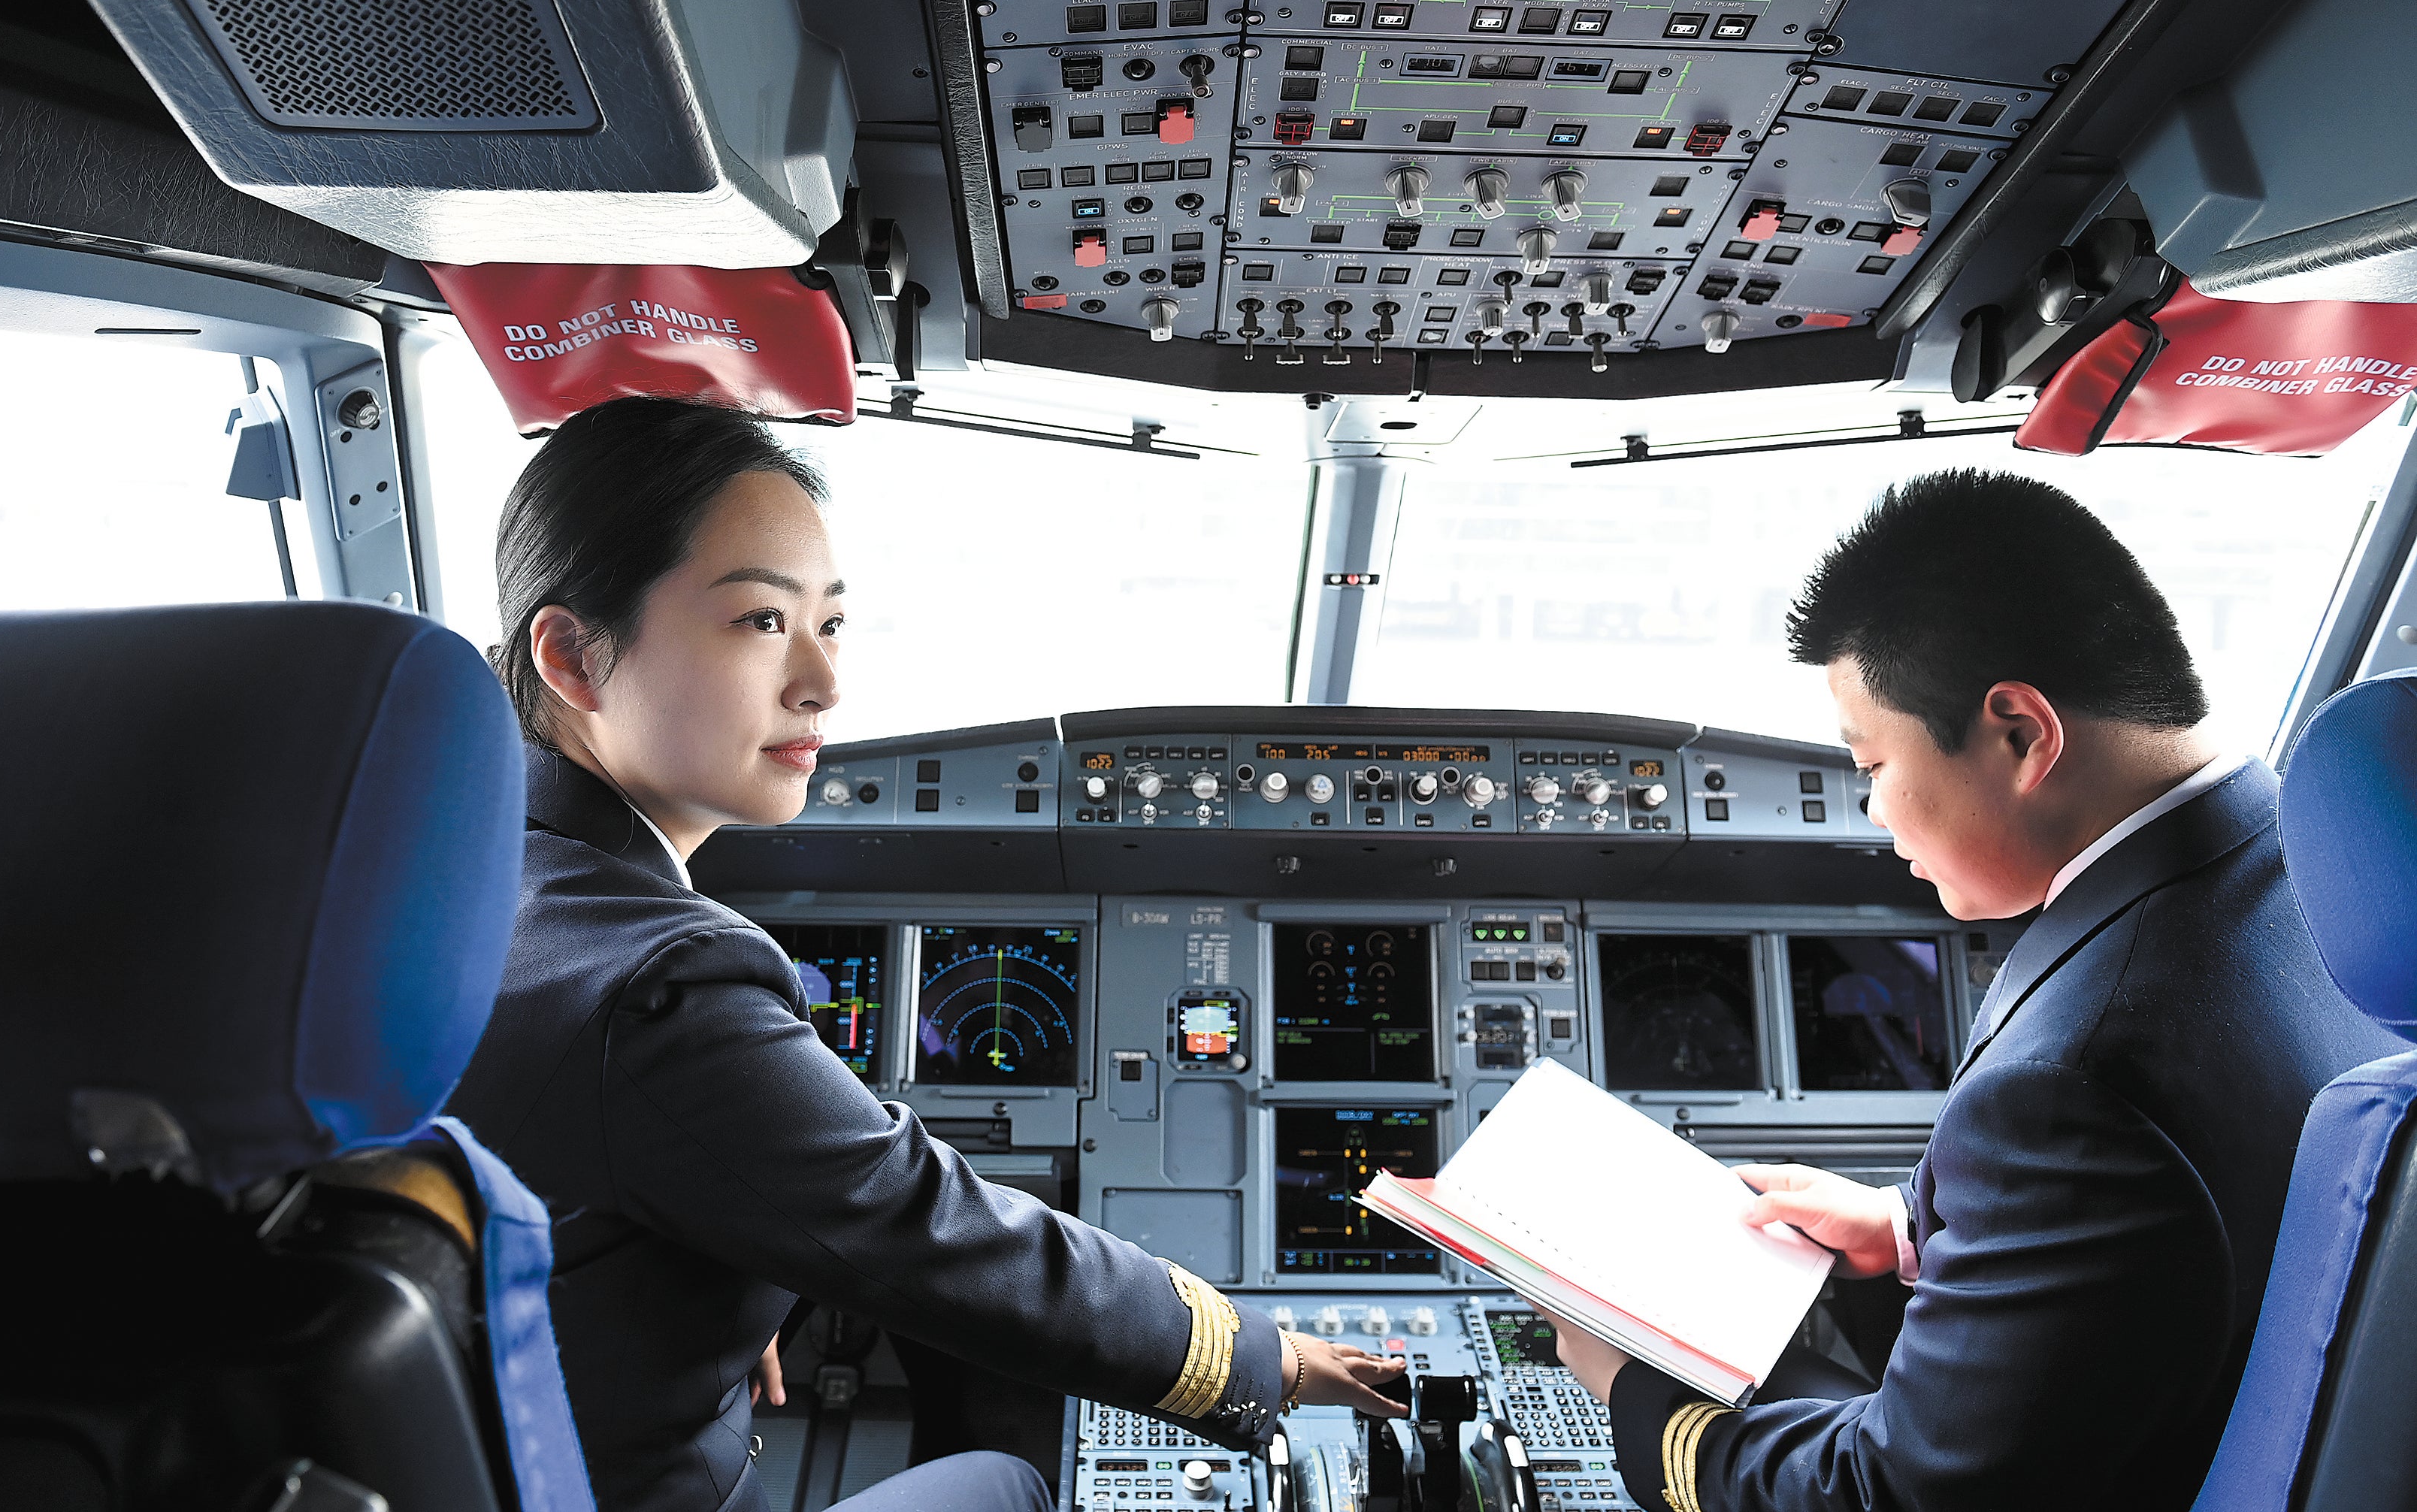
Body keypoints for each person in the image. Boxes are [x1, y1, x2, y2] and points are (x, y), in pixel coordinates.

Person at [447, 400, 1405, 1512]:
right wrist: (1260, 1355)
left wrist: (722, 1283)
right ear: (572, 656)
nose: (822, 681)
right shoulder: (663, 986)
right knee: (1005, 1485)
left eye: (831, 623)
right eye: (761, 620)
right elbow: (931, 1229)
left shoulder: (460, 877)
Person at [1553, 469, 2400, 1512]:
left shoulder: (2078, 1082)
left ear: (2021, 733)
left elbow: (1892, 1494)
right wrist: (1909, 1230)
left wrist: (1637, 1392)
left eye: (1872, 764)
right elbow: (2168, 1243)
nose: (1873, 810)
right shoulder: (2321, 875)